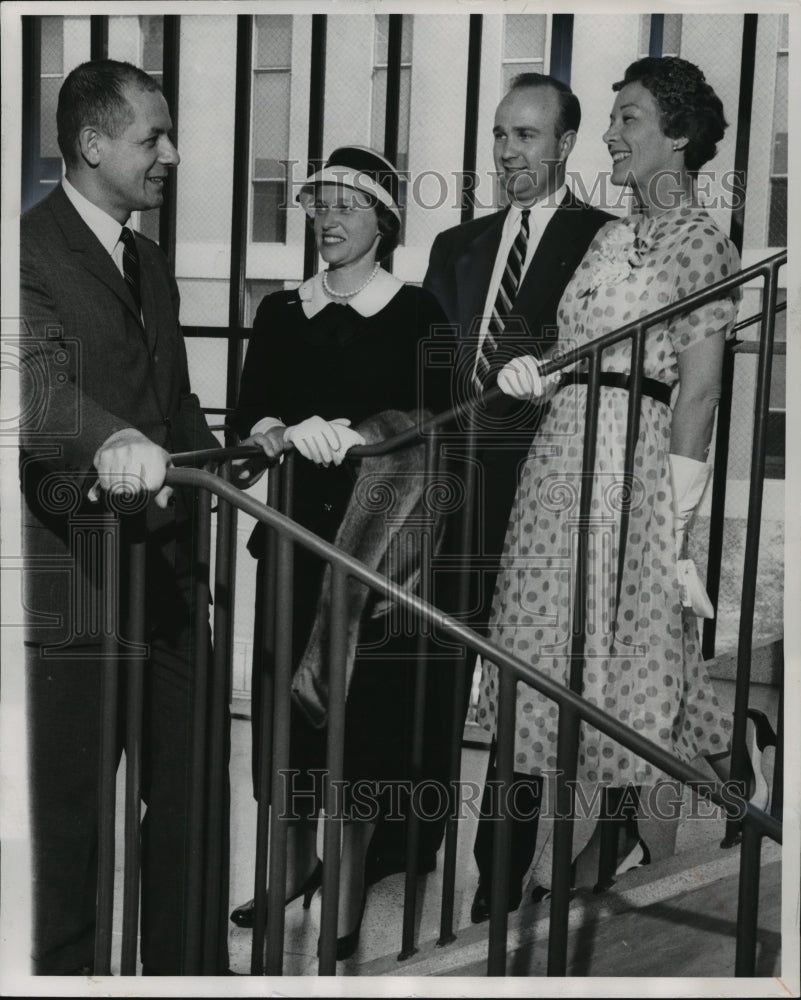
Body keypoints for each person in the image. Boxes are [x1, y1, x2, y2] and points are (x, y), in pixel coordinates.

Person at [478, 56, 741, 897]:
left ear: (679, 136)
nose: (608, 133)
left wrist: (677, 520)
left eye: (627, 118)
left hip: (634, 459)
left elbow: (698, 388)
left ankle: (728, 770)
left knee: (633, 653)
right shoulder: (604, 234)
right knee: (545, 647)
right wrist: (538, 374)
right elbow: (576, 347)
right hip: (562, 452)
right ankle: (695, 782)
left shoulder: (704, 240)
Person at [19, 60, 228, 974]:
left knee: (192, 796)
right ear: (92, 143)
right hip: (77, 577)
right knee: (70, 821)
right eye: (154, 137)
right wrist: (109, 442)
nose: (172, 155)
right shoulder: (26, 250)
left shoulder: (144, 259)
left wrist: (238, 441)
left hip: (168, 572)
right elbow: (33, 390)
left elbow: (172, 404)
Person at [230, 146, 453, 959]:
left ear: (384, 222)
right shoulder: (281, 313)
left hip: (375, 557)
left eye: (348, 205)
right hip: (291, 538)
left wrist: (363, 436)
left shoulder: (417, 312)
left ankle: (347, 884)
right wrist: (277, 432)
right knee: (286, 716)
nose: (329, 219)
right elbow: (248, 422)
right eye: (319, 204)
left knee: (359, 723)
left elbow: (436, 430)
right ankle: (291, 866)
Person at [420, 73, 614, 923]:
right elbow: (425, 368)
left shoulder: (606, 241)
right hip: (449, 492)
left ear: (565, 143)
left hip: (542, 494)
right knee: (435, 669)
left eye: (525, 136)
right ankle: (407, 845)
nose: (506, 153)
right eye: (499, 135)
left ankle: (497, 879)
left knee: (523, 694)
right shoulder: (456, 246)